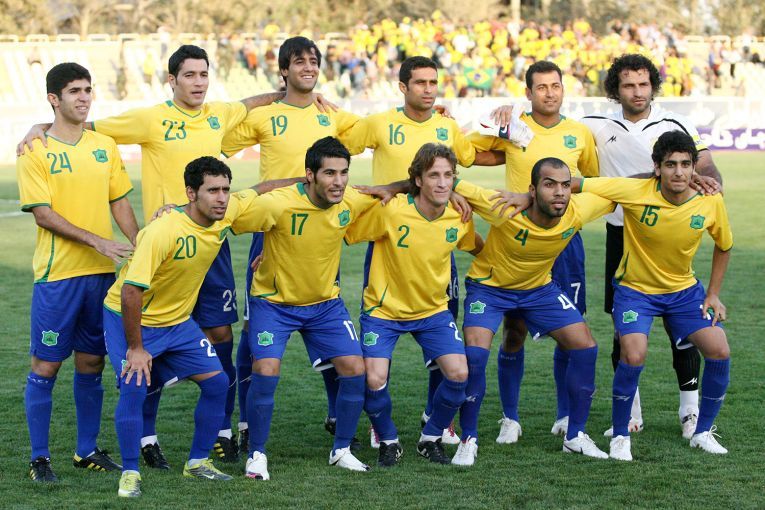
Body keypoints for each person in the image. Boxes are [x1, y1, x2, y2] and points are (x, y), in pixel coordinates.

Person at [16, 44, 329, 465]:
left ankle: (218, 430)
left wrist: (296, 93)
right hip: (147, 253)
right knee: (134, 345)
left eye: (204, 74)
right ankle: (138, 439)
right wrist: (39, 124)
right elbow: (81, 127)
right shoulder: (147, 119)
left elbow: (248, 104)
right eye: (189, 75)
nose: (198, 82)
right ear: (172, 80)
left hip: (207, 245)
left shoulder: (217, 114)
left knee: (217, 336)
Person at [102, 156, 300, 497]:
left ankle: (197, 462)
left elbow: (262, 189)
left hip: (178, 322)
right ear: (191, 194)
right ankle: (130, 473)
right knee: (134, 387)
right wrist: (136, 348)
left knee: (217, 383)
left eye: (225, 189)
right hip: (132, 318)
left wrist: (309, 182)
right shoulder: (162, 231)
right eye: (212, 191)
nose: (221, 198)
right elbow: (131, 292)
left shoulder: (226, 212)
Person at [339, 55, 500, 446]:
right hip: (389, 234)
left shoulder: (447, 126)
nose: (428, 89)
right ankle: (379, 424)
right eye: (420, 83)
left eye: (433, 82)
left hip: (439, 236)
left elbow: (466, 160)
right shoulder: (379, 123)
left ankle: (437, 419)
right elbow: (338, 149)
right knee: (381, 338)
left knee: (443, 334)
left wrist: (510, 130)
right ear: (403, 87)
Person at [580, 54, 723, 439]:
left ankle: (690, 410)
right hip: (622, 236)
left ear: (653, 86)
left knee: (684, 328)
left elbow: (705, 163)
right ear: (616, 90)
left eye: (643, 84)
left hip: (669, 232)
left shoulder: (675, 122)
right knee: (622, 331)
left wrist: (712, 182)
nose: (637, 91)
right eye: (628, 85)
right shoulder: (595, 124)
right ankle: (632, 412)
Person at [240, 137, 400, 480]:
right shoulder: (278, 204)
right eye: (329, 173)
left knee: (354, 368)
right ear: (310, 175)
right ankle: (256, 454)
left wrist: (400, 187)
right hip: (274, 304)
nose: (338, 181)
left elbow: (401, 186)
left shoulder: (350, 199)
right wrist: (177, 211)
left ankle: (341, 450)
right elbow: (226, 213)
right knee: (265, 369)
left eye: (343, 172)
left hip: (325, 306)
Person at [575, 131, 732, 460]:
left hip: (684, 293)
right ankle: (621, 436)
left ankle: (702, 432)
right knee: (633, 354)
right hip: (636, 292)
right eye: (670, 164)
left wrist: (714, 294)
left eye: (686, 164)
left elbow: (724, 245)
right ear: (657, 168)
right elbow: (577, 184)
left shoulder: (710, 200)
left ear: (694, 168)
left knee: (719, 349)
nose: (679, 172)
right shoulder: (635, 190)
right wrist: (530, 194)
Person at [17, 62, 139, 482]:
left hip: (101, 277)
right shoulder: (35, 149)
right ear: (54, 99)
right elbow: (43, 214)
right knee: (46, 365)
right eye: (74, 91)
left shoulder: (104, 145)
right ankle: (39, 458)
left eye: (88, 89)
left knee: (91, 362)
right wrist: (98, 241)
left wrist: (139, 244)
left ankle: (86, 450)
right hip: (58, 277)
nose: (84, 97)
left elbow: (119, 201)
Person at [453, 157, 614, 466]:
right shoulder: (503, 206)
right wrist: (450, 191)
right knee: (475, 355)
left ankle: (575, 436)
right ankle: (469, 438)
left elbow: (625, 190)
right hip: (489, 288)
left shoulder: (577, 210)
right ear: (532, 189)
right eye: (549, 184)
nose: (559, 192)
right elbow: (444, 180)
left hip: (539, 290)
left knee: (585, 346)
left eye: (565, 185)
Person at [471, 60, 599, 442]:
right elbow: (469, 152)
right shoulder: (514, 127)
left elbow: (591, 181)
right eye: (541, 87)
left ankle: (565, 415)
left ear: (563, 89)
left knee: (570, 329)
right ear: (528, 93)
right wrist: (497, 118)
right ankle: (510, 418)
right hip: (517, 239)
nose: (549, 93)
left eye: (555, 85)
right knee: (514, 332)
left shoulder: (579, 133)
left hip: (564, 239)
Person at [344, 144, 484, 467]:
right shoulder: (391, 210)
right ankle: (388, 440)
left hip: (432, 312)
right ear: (418, 180)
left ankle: (430, 437)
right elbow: (345, 231)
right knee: (373, 378)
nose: (442, 183)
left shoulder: (459, 216)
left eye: (448, 176)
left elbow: (474, 245)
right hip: (384, 312)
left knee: (459, 374)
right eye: (433, 175)